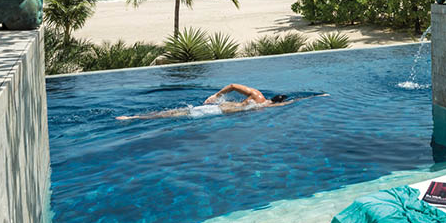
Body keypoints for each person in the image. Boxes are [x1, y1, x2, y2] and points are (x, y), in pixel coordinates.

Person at [116, 85, 324, 120]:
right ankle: (133, 117)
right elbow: (295, 101)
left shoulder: (260, 98)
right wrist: (216, 95)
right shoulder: (261, 101)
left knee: (175, 113)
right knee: (176, 114)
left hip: (218, 110)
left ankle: (134, 116)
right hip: (217, 111)